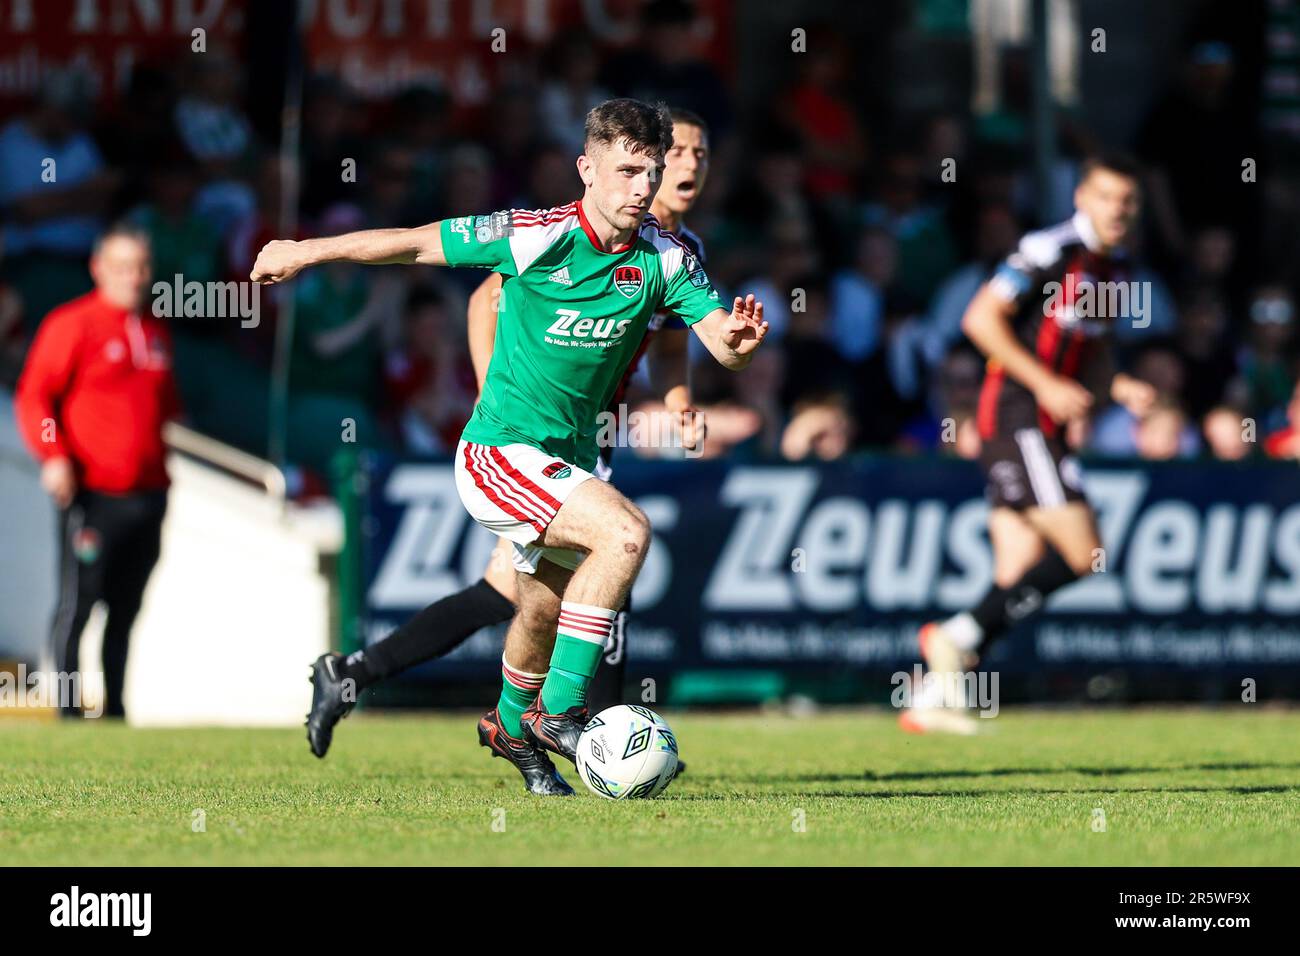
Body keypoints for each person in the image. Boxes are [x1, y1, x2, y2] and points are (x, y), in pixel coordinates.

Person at [253, 98, 766, 795]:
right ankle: (562, 716)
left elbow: (711, 343)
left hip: (571, 457)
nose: (643, 186)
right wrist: (304, 250)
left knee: (538, 603)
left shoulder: (669, 257)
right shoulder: (536, 235)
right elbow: (414, 242)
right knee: (624, 537)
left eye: (652, 170)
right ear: (587, 170)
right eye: (629, 171)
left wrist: (735, 349)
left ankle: (505, 721)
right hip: (501, 453)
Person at [899, 154, 1156, 734]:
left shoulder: (1113, 269)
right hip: (1018, 418)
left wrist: (1119, 385)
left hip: (1045, 423)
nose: (1119, 210)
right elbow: (980, 319)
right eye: (1108, 197)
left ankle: (934, 695)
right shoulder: (1046, 251)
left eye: (1128, 201)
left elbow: (1094, 350)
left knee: (1016, 569)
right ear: (1082, 199)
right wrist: (1045, 384)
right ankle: (953, 638)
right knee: (1086, 553)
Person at [13, 225, 180, 719]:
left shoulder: (154, 331)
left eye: (141, 267)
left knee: (126, 609)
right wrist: (54, 454)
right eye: (123, 266)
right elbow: (35, 396)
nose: (133, 278)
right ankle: (68, 711)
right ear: (99, 268)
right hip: (92, 493)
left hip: (148, 494)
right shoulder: (74, 324)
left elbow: (166, 409)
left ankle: (115, 710)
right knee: (78, 603)